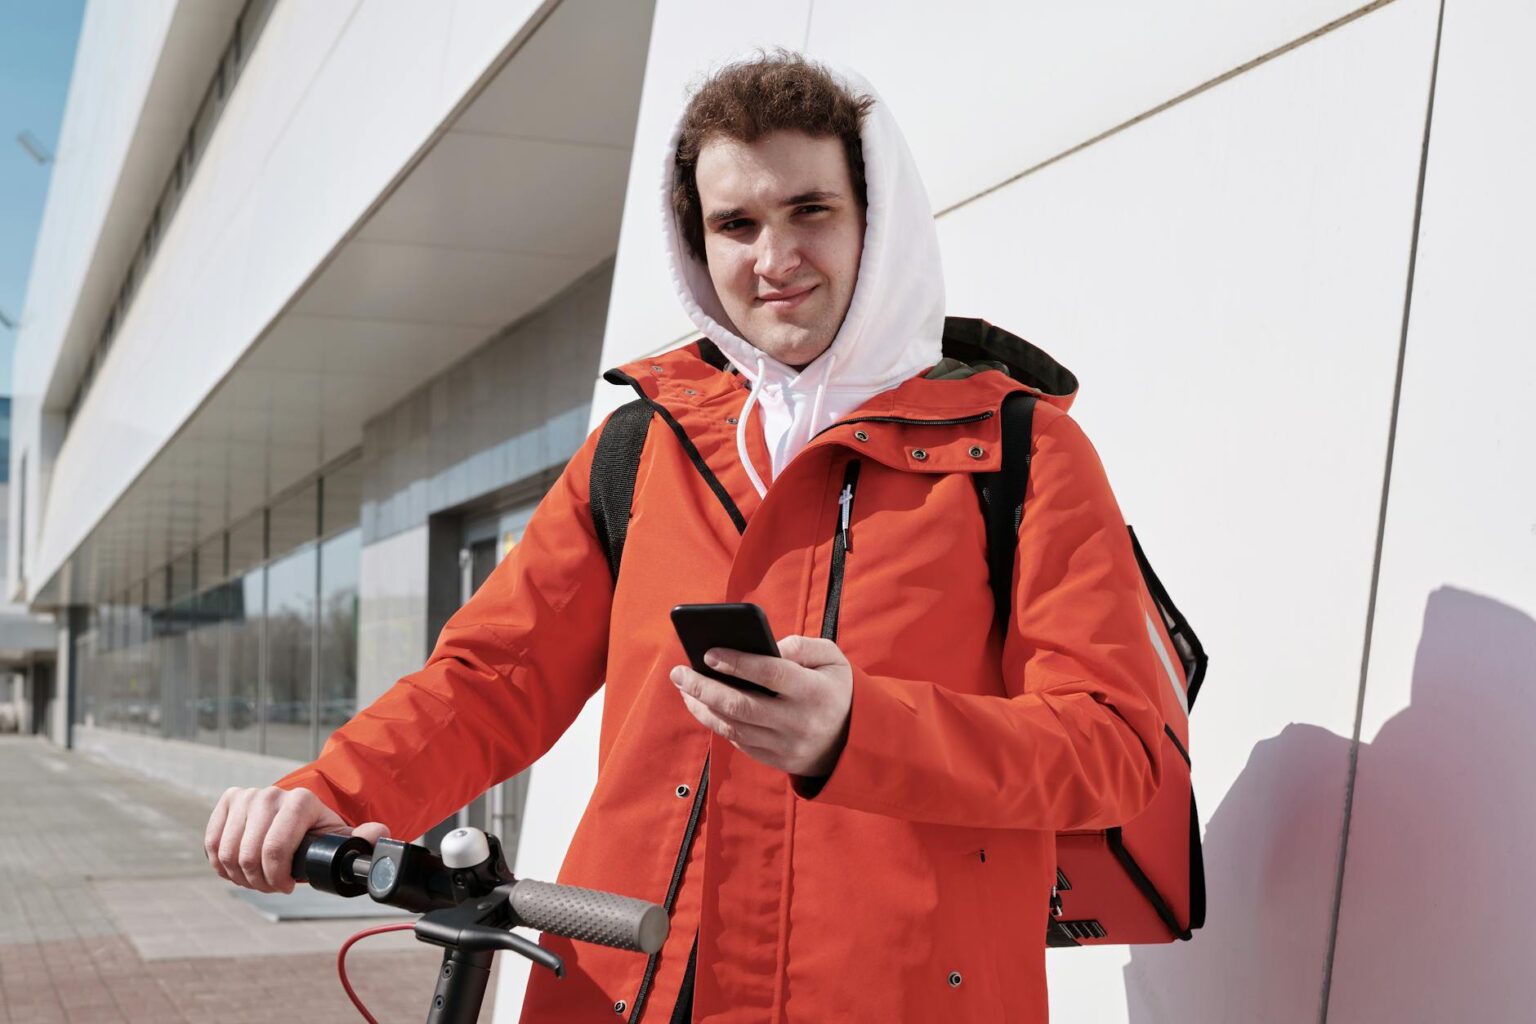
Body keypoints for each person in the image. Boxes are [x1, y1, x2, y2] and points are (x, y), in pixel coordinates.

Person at [206, 52, 1169, 1022]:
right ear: (697, 243)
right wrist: (332, 791)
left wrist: (861, 730)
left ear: (876, 221)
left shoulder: (1021, 452)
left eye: (810, 210)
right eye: (736, 224)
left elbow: (1118, 747)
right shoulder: (641, 447)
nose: (774, 259)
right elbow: (491, 679)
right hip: (620, 988)